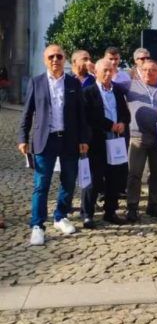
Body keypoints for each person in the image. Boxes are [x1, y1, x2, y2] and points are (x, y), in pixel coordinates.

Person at [18, 45, 89, 246]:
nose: (55, 59)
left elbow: (81, 115)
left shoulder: (73, 83)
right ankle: (38, 225)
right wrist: (22, 137)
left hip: (69, 139)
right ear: (45, 59)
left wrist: (84, 139)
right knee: (41, 185)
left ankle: (60, 216)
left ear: (65, 59)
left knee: (68, 182)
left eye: (59, 56)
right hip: (44, 140)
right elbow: (27, 112)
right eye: (51, 56)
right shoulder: (37, 82)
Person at [81, 59, 130, 228]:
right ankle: (87, 214)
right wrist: (110, 125)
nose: (108, 73)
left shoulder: (117, 90)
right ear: (96, 71)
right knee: (94, 180)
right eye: (105, 70)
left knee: (114, 178)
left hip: (116, 141)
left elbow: (125, 112)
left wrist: (123, 123)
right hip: (97, 141)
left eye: (111, 70)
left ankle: (110, 212)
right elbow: (89, 117)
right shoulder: (88, 92)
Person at [125, 60, 157, 222]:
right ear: (139, 70)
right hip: (137, 137)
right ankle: (132, 207)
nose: (148, 73)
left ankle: (154, 205)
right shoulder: (129, 86)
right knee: (134, 174)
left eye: (153, 70)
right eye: (145, 70)